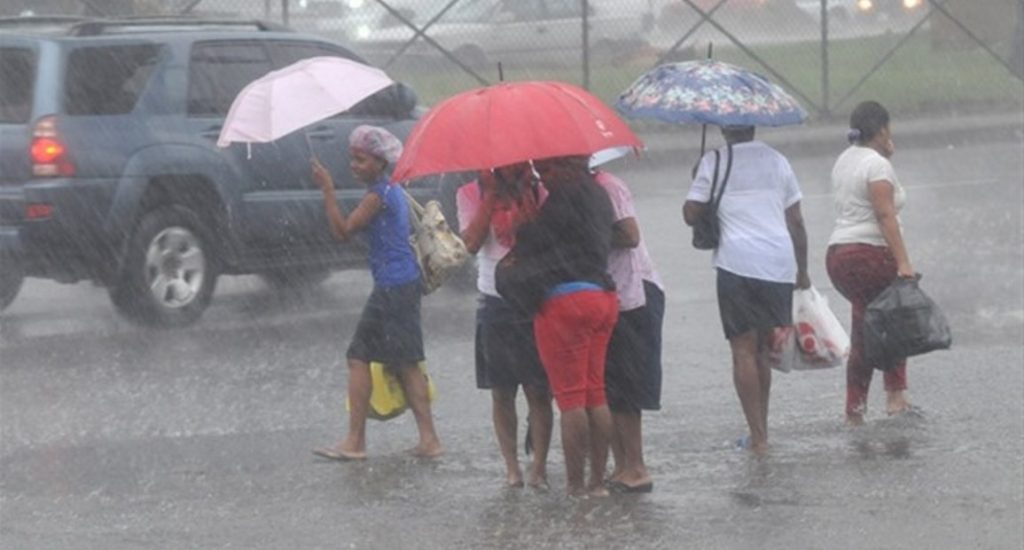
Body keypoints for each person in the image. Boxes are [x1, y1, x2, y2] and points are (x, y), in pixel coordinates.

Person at [311, 125, 442, 460]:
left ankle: (356, 442)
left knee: (362, 356)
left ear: (380, 162)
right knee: (405, 361)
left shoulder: (377, 196)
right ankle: (427, 439)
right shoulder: (390, 189)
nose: (354, 165)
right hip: (399, 285)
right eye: (352, 159)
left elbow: (342, 231)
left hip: (394, 287)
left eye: (361, 160)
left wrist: (327, 190)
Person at [683, 125, 810, 454]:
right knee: (763, 352)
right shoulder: (778, 161)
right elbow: (795, 219)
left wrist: (698, 178)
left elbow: (690, 213)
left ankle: (758, 438)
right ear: (754, 126)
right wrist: (803, 270)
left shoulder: (714, 161)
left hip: (736, 263)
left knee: (743, 351)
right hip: (777, 264)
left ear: (724, 128)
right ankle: (761, 432)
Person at [513, 155, 618, 497]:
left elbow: (528, 242)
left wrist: (525, 203)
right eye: (540, 171)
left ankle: (575, 484)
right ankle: (597, 482)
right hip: (601, 296)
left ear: (570, 165)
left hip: (565, 302)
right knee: (596, 393)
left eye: (548, 170)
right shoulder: (600, 194)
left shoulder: (561, 198)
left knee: (571, 400)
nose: (543, 178)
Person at [456, 163, 554, 489]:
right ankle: (511, 467)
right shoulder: (469, 193)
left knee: (539, 390)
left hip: (533, 297)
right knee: (502, 392)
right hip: (494, 299)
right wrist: (491, 197)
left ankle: (538, 465)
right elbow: (470, 244)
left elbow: (547, 242)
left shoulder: (539, 191)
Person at [825, 100, 914, 426]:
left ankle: (858, 407)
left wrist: (885, 158)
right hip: (869, 256)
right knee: (892, 323)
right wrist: (903, 261)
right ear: (881, 130)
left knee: (868, 326)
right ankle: (892, 398)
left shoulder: (846, 160)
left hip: (840, 255)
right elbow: (884, 213)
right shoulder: (876, 166)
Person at [592, 168, 665, 494]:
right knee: (609, 385)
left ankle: (634, 467)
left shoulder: (609, 188)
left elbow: (630, 235)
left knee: (626, 384)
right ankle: (622, 465)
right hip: (610, 294)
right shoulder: (581, 187)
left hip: (634, 293)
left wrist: (585, 232)